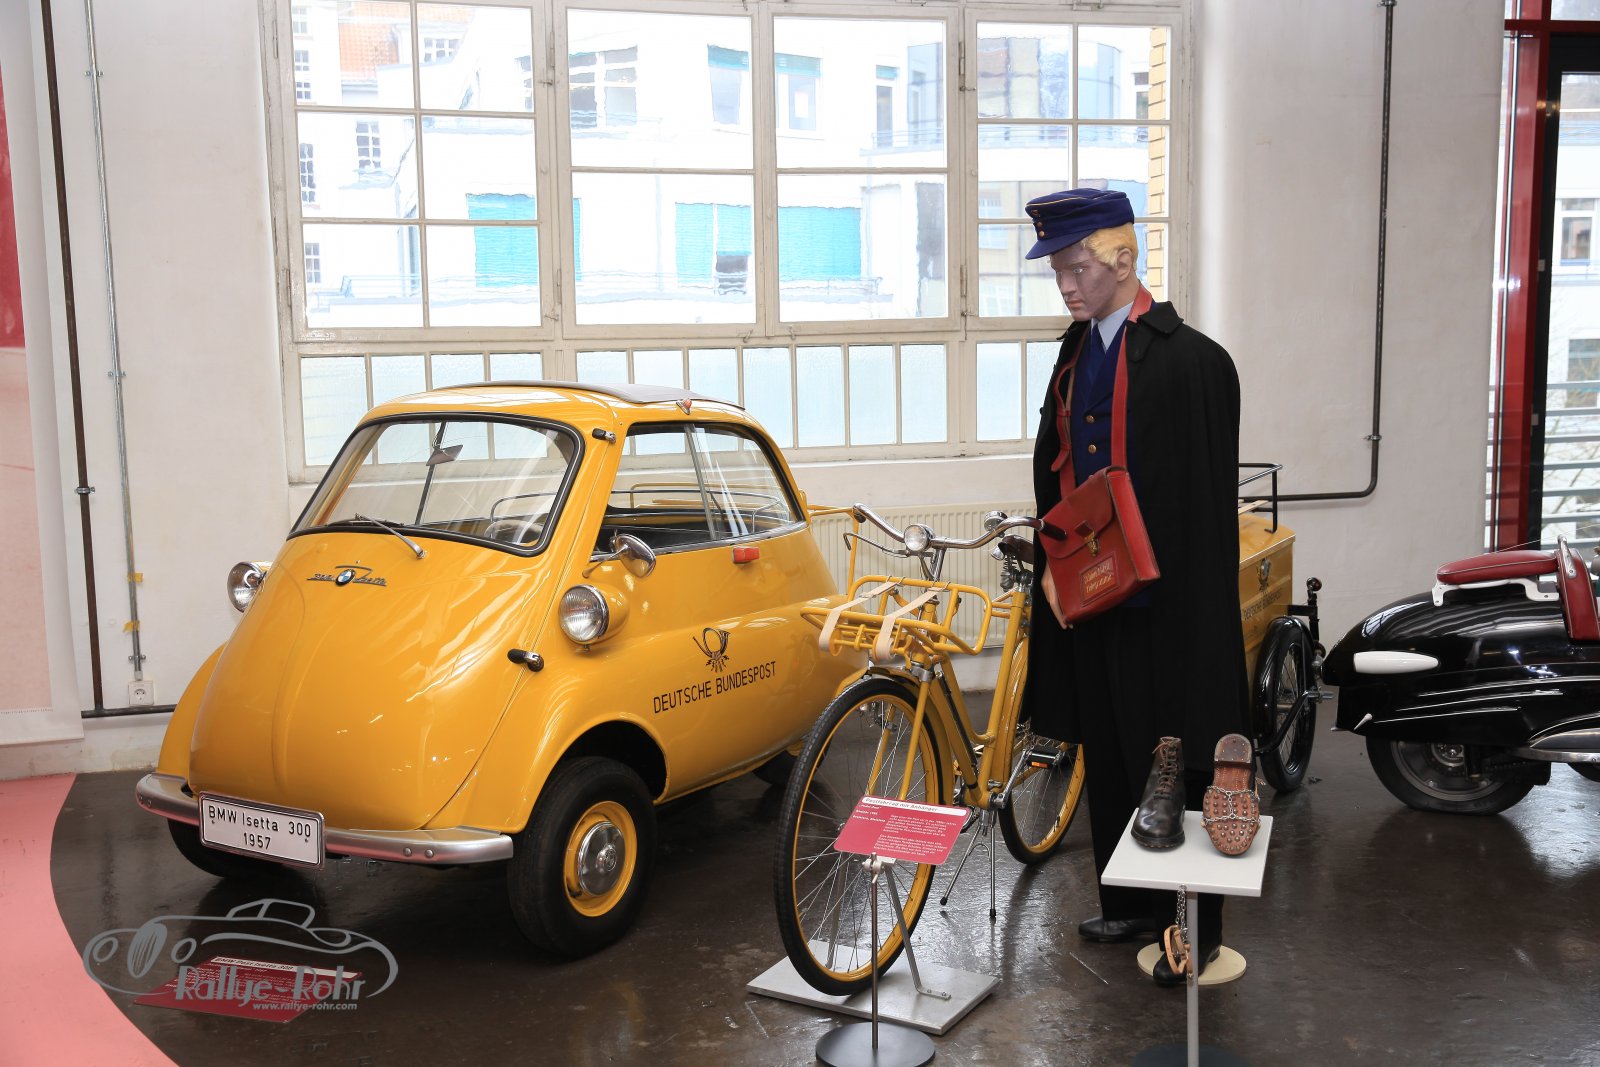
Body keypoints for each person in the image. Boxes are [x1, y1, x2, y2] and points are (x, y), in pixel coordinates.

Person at [1017, 188, 1248, 986]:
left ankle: (1191, 926)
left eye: (1078, 267)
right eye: (1057, 270)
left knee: (1174, 757)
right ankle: (1128, 899)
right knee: (1111, 752)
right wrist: (1052, 567)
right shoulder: (1073, 355)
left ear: (1123, 258)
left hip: (1166, 608)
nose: (1066, 285)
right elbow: (1054, 470)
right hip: (1094, 600)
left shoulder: (1194, 362)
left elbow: (1206, 510)